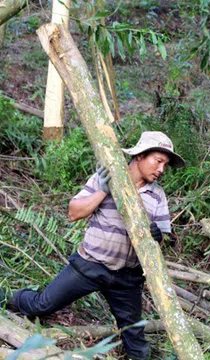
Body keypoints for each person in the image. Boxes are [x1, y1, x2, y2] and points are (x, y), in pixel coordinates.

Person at [1, 131, 185, 360]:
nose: (161, 170)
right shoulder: (107, 178)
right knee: (41, 305)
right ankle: (4, 295)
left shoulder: (157, 195)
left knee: (136, 342)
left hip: (127, 279)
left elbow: (163, 239)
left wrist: (157, 236)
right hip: (90, 265)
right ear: (140, 156)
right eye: (158, 161)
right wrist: (103, 191)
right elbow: (73, 212)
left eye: (165, 165)